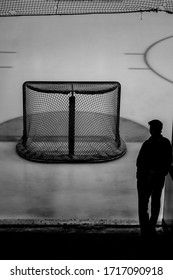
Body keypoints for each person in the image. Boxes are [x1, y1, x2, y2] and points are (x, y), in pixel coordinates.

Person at [136, 119, 172, 238]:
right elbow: (168, 163)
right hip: (158, 179)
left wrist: (145, 175)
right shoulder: (166, 143)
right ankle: (151, 228)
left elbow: (139, 163)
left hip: (144, 180)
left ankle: (145, 230)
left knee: (143, 205)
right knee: (155, 203)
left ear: (152, 130)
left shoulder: (147, 144)